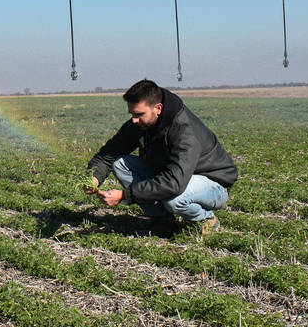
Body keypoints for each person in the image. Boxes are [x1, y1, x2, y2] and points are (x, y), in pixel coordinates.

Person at [86, 79, 237, 237]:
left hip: (213, 183)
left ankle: (206, 219)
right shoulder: (140, 124)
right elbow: (109, 152)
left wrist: (125, 195)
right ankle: (162, 222)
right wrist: (93, 177)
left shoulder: (185, 131)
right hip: (177, 177)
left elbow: (174, 183)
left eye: (139, 114)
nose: (134, 120)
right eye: (131, 114)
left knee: (175, 199)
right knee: (120, 164)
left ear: (158, 108)